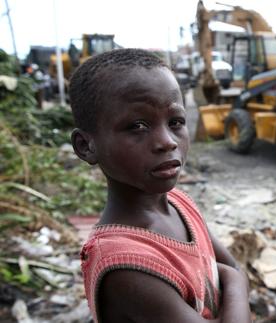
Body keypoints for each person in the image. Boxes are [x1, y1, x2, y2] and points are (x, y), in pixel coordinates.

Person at [69, 48, 251, 323]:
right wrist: (236, 280)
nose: (168, 141)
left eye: (176, 122)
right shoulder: (124, 264)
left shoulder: (179, 203)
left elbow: (231, 267)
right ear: (86, 146)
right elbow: (232, 271)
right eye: (138, 126)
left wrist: (233, 276)